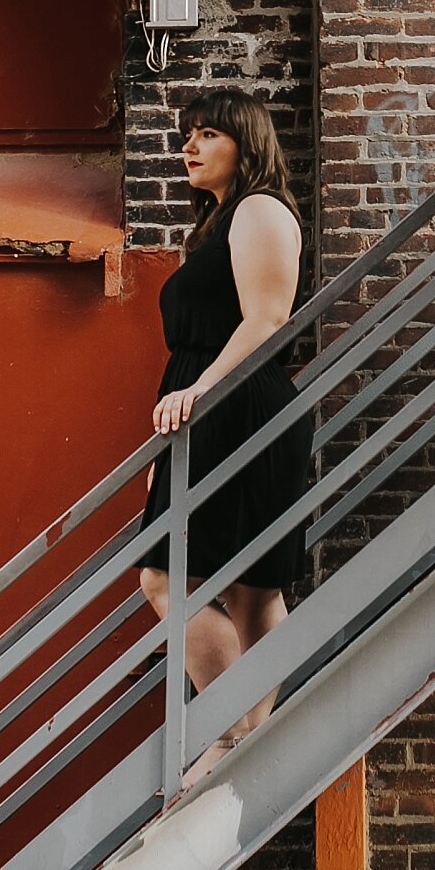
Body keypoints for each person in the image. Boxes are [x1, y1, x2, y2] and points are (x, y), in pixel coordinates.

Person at [137, 86, 311, 784]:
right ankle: (249, 738)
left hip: (239, 403)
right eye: (189, 134)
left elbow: (266, 319)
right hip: (205, 404)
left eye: (207, 133)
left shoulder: (261, 209)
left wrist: (201, 392)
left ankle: (234, 734)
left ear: (247, 144)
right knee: (240, 586)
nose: (189, 146)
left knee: (189, 578)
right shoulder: (212, 226)